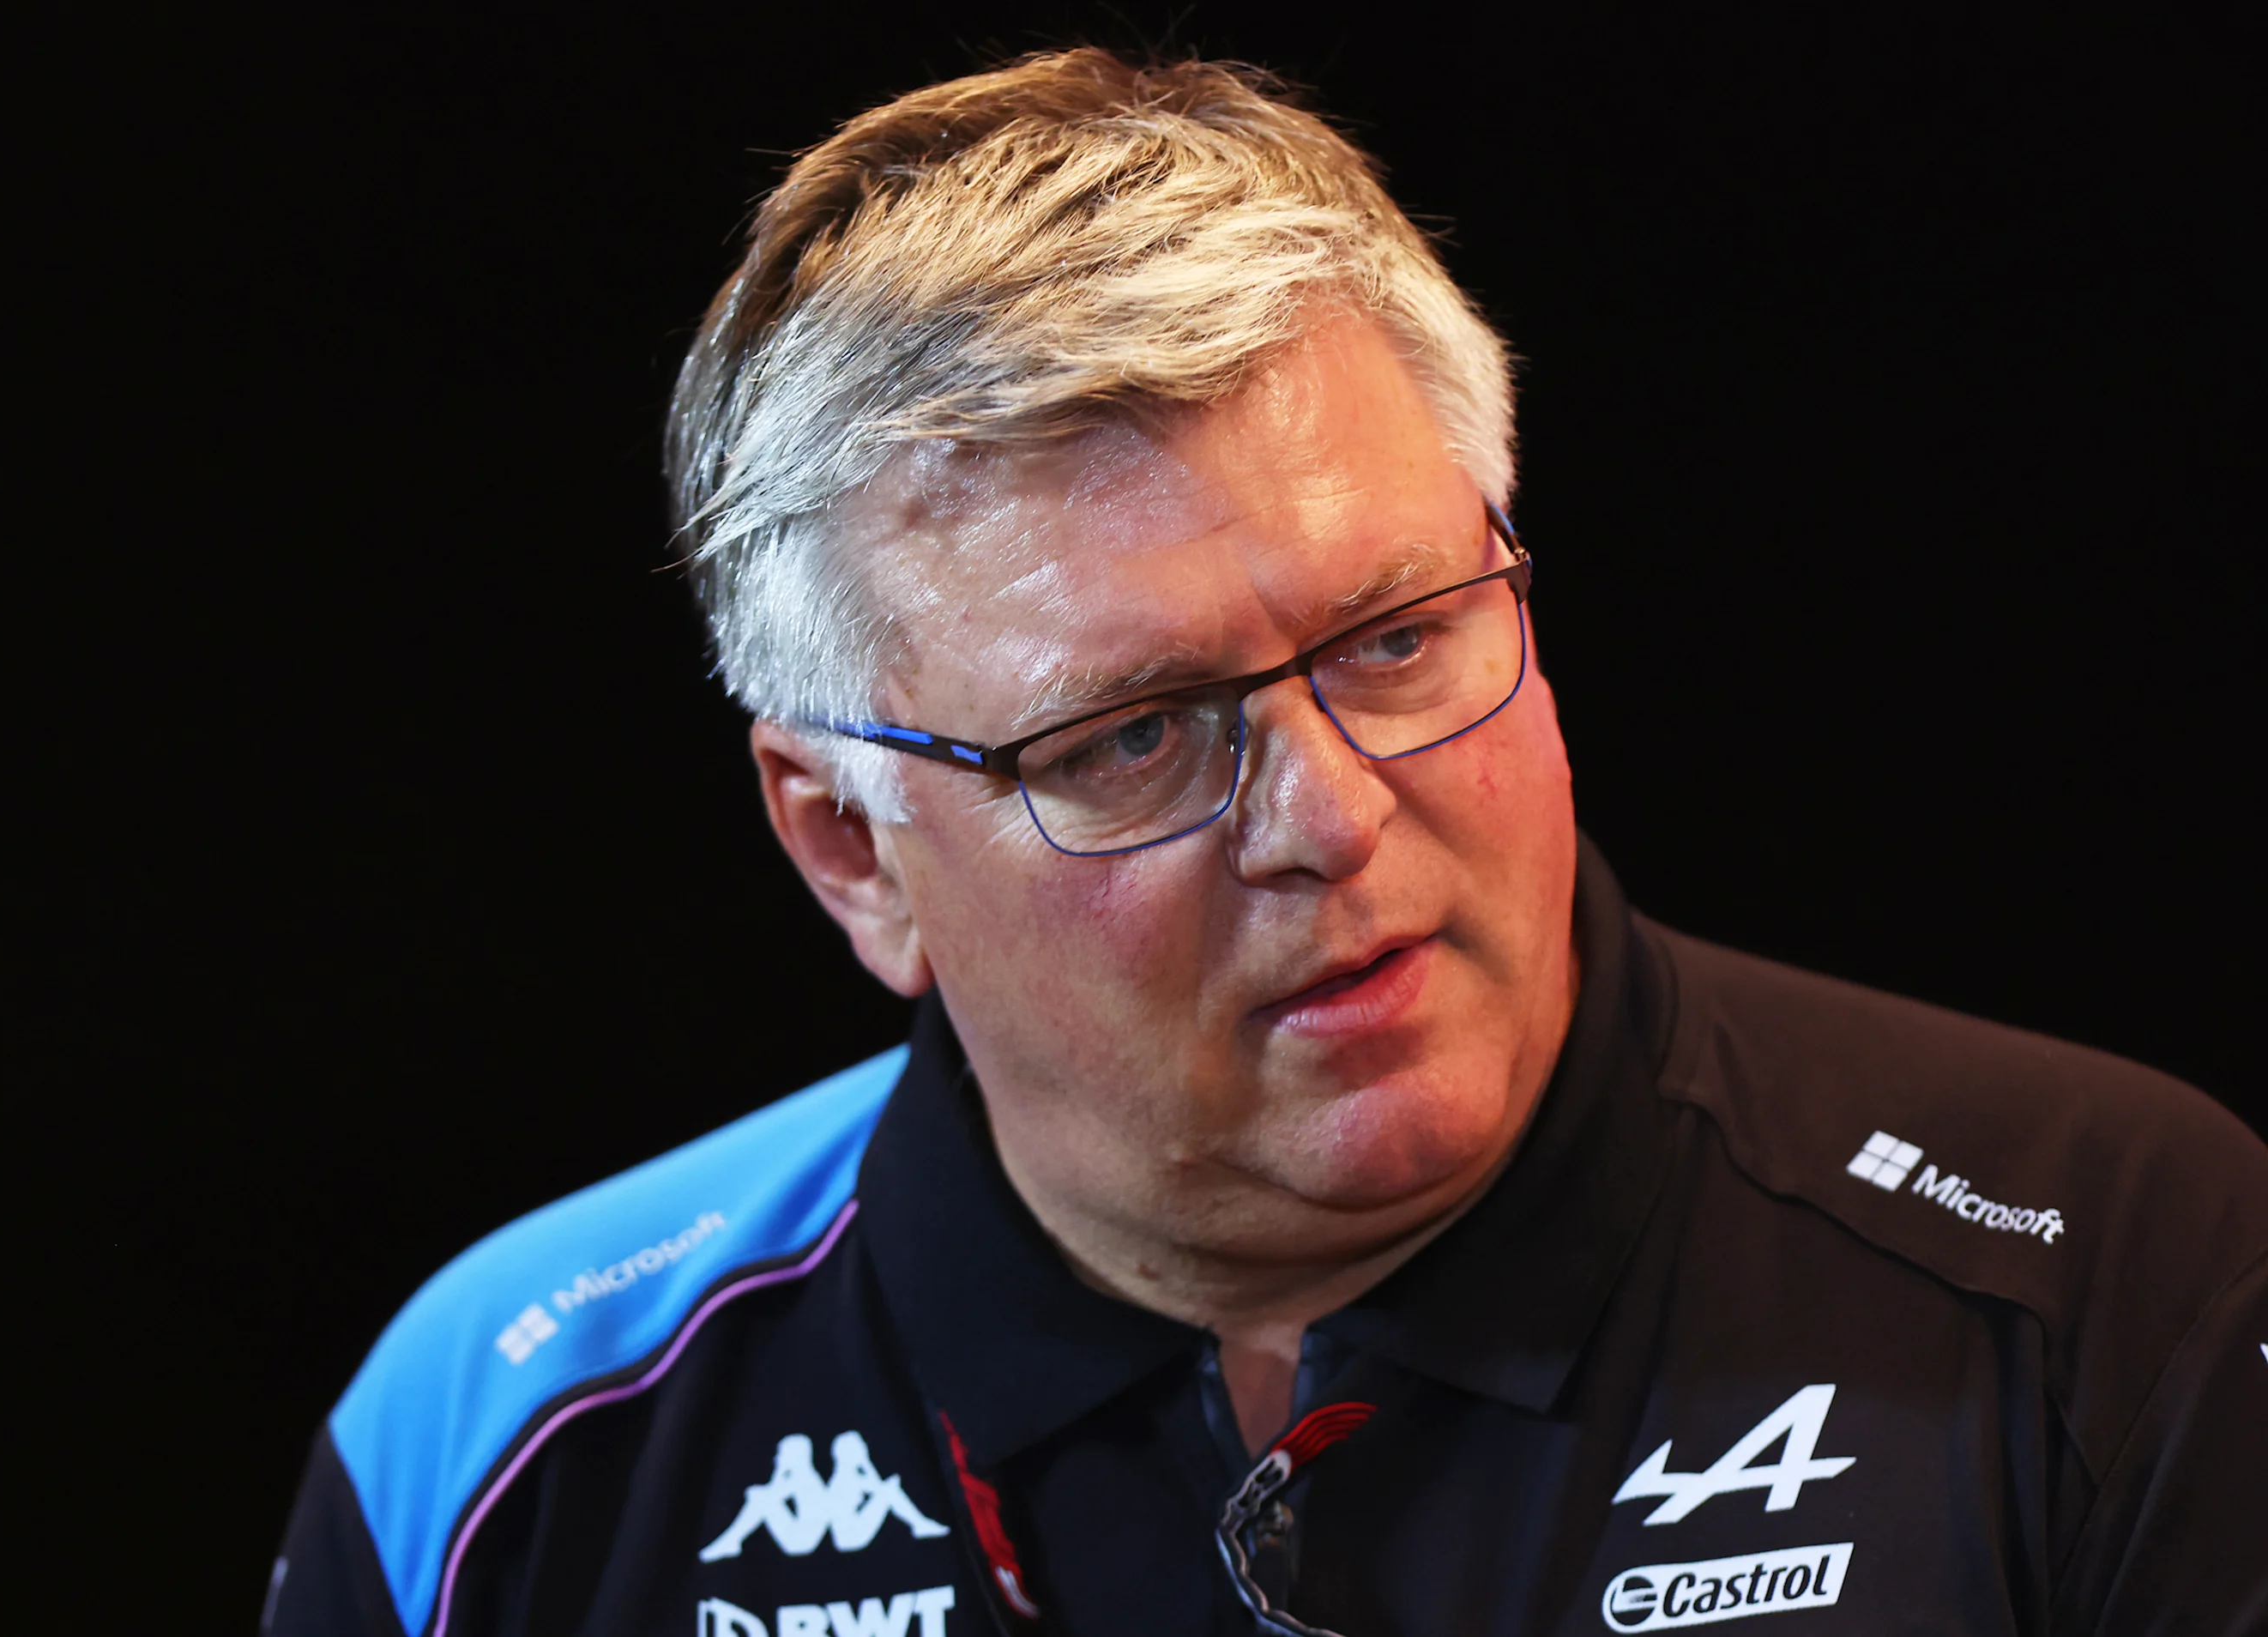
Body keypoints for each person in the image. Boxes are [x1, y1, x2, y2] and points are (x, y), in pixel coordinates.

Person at [268, 49, 2268, 1636]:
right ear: (850, 846)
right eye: (1133, 739)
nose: (1328, 813)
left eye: (1397, 640)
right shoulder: (512, 1436)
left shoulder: (2105, 1276)